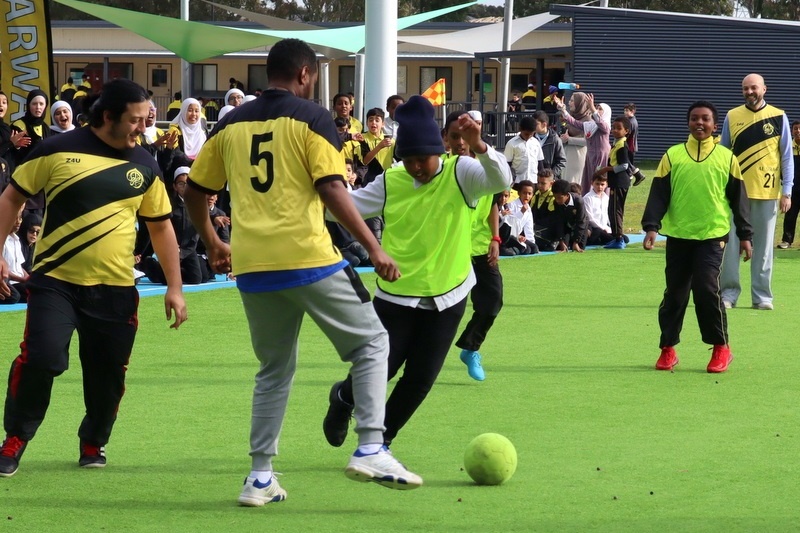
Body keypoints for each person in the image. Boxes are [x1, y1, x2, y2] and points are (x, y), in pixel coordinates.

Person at [183, 38, 422, 506]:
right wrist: (373, 247)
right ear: (307, 75)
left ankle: (259, 477)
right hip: (308, 257)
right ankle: (371, 445)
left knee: (273, 369)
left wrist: (213, 242)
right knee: (372, 343)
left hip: (252, 266)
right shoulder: (313, 119)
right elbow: (332, 188)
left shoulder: (229, 123)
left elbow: (195, 190)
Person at [0, 78, 187, 477]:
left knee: (107, 374)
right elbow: (11, 198)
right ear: (108, 117)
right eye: (135, 120)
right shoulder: (54, 149)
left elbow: (161, 227)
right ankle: (15, 440)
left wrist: (174, 286)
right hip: (55, 282)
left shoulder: (146, 163)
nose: (143, 127)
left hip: (117, 289)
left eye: (145, 120)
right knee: (43, 358)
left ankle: (93, 441)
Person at [321, 96, 511, 453]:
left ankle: (381, 442)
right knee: (380, 371)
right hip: (396, 296)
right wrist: (327, 186)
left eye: (421, 159)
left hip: (450, 294)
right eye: (408, 160)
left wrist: (480, 145)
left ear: (438, 149)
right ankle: (344, 398)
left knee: (421, 378)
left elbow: (501, 177)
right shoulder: (392, 181)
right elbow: (342, 209)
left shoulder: (462, 173)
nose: (416, 167)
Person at [642, 101, 752, 373]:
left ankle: (721, 348)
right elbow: (659, 194)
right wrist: (651, 227)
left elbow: (739, 200)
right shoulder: (673, 155)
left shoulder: (727, 157)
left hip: (713, 236)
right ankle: (668, 349)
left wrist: (746, 235)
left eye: (705, 119)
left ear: (715, 126)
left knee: (706, 289)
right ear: (688, 123)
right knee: (675, 294)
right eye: (694, 119)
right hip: (679, 235)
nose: (699, 123)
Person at [719, 73, 793, 310]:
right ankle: (728, 294)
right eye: (745, 89)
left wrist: (787, 191)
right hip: (734, 194)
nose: (749, 92)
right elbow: (723, 154)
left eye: (754, 88)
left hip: (767, 193)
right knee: (730, 246)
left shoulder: (779, 116)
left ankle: (762, 296)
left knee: (763, 248)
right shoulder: (732, 116)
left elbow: (786, 158)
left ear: (764, 89)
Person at [443, 111, 504, 382]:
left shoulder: (486, 168)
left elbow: (492, 204)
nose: (460, 142)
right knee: (441, 313)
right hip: (447, 251)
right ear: (445, 138)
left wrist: (495, 238)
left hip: (479, 247)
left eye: (465, 135)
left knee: (491, 302)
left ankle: (470, 347)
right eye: (454, 136)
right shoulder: (438, 169)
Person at [554, 93, 611, 195]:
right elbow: (575, 123)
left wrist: (592, 108)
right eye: (597, 108)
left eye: (600, 109)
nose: (597, 110)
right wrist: (563, 110)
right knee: (587, 180)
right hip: (590, 155)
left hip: (601, 155)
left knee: (600, 180)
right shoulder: (591, 125)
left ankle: (602, 201)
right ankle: (585, 201)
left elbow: (601, 124)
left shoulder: (605, 126)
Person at [594, 116, 633, 249]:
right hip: (615, 182)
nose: (615, 130)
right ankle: (616, 237)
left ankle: (619, 239)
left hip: (620, 182)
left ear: (626, 131)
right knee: (612, 210)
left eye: (619, 128)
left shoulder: (622, 145)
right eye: (614, 128)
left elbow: (624, 166)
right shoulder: (617, 143)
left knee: (615, 210)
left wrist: (606, 169)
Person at [558, 91, 590, 186]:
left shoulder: (588, 120)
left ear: (580, 103)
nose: (569, 103)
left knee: (574, 183)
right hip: (567, 153)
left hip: (578, 155)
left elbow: (587, 141)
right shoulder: (571, 118)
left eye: (572, 101)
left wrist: (569, 139)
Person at [777, 120, 800, 249]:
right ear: (792, 131)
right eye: (795, 129)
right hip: (792, 189)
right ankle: (787, 240)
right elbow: (782, 167)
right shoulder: (787, 148)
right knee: (790, 215)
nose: (798, 131)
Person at [1, 205, 28, 305]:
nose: (18, 222)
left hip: (20, 280)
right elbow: (4, 270)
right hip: (10, 281)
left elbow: (20, 267)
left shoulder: (17, 240)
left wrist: (28, 277)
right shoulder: (2, 241)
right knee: (14, 297)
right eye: (15, 218)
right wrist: (22, 279)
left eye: (20, 218)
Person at [504, 116, 544, 184]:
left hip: (533, 181)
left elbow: (540, 163)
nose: (528, 136)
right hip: (518, 182)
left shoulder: (536, 143)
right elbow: (507, 164)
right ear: (520, 129)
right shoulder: (512, 143)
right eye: (526, 134)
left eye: (531, 134)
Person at [551, 178, 588, 252]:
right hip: (567, 225)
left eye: (559, 198)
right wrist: (561, 241)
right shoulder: (556, 202)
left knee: (579, 248)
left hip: (580, 225)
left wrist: (576, 241)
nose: (557, 200)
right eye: (555, 197)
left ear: (567, 195)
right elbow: (559, 222)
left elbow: (581, 222)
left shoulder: (578, 201)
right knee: (563, 248)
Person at [0, 91, 28, 177]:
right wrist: (11, 143)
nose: (1, 105)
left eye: (4, 102)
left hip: (7, 177)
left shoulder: (7, 128)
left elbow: (10, 155)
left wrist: (16, 146)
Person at [583, 174, 615, 246]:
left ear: (606, 184)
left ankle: (601, 240)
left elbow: (607, 215)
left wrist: (609, 228)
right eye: (597, 184)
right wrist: (602, 228)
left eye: (602, 184)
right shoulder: (588, 198)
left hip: (605, 228)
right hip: (594, 228)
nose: (599, 187)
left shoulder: (606, 197)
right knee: (610, 238)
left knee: (624, 238)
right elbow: (590, 218)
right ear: (592, 183)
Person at [533, 110, 566, 178]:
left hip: (548, 179)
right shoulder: (530, 139)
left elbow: (561, 161)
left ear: (544, 124)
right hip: (532, 176)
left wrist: (551, 175)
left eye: (536, 124)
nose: (533, 126)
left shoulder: (555, 139)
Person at [622, 103, 647, 186]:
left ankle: (637, 175)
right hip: (632, 146)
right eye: (624, 110)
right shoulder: (633, 121)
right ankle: (632, 177)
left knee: (627, 163)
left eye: (627, 111)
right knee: (627, 163)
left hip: (629, 146)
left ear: (633, 111)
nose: (625, 112)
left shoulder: (631, 122)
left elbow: (626, 135)